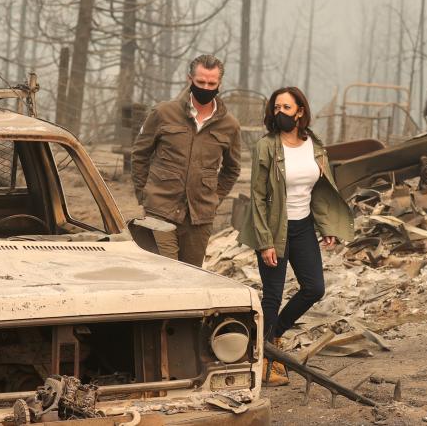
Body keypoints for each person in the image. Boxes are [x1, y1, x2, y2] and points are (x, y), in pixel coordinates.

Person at [238, 86, 354, 386]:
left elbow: (319, 190)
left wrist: (326, 226)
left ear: (300, 112)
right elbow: (258, 196)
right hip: (275, 229)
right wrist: (265, 242)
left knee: (314, 288)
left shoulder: (314, 146)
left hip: (302, 227)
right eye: (276, 108)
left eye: (286, 108)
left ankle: (272, 335)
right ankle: (266, 360)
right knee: (273, 295)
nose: (280, 113)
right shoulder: (266, 146)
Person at [131, 54, 242, 266]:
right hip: (160, 211)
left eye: (212, 83)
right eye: (201, 82)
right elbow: (140, 155)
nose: (206, 88)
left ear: (220, 83)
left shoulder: (230, 125)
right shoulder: (163, 113)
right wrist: (144, 195)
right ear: (189, 79)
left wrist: (214, 197)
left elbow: (232, 169)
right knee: (164, 273)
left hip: (200, 218)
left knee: (191, 277)